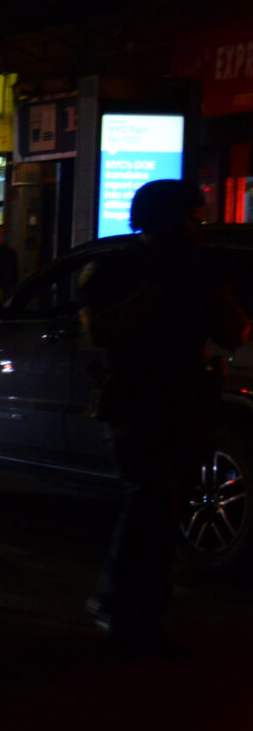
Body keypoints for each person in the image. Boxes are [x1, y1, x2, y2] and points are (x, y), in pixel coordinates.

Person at [78, 180, 249, 652]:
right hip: (136, 400)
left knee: (167, 507)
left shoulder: (200, 270)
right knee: (151, 499)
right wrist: (160, 289)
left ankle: (144, 609)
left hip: (188, 402)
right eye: (192, 218)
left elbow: (233, 331)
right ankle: (121, 603)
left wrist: (210, 286)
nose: (198, 227)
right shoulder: (117, 268)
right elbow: (102, 330)